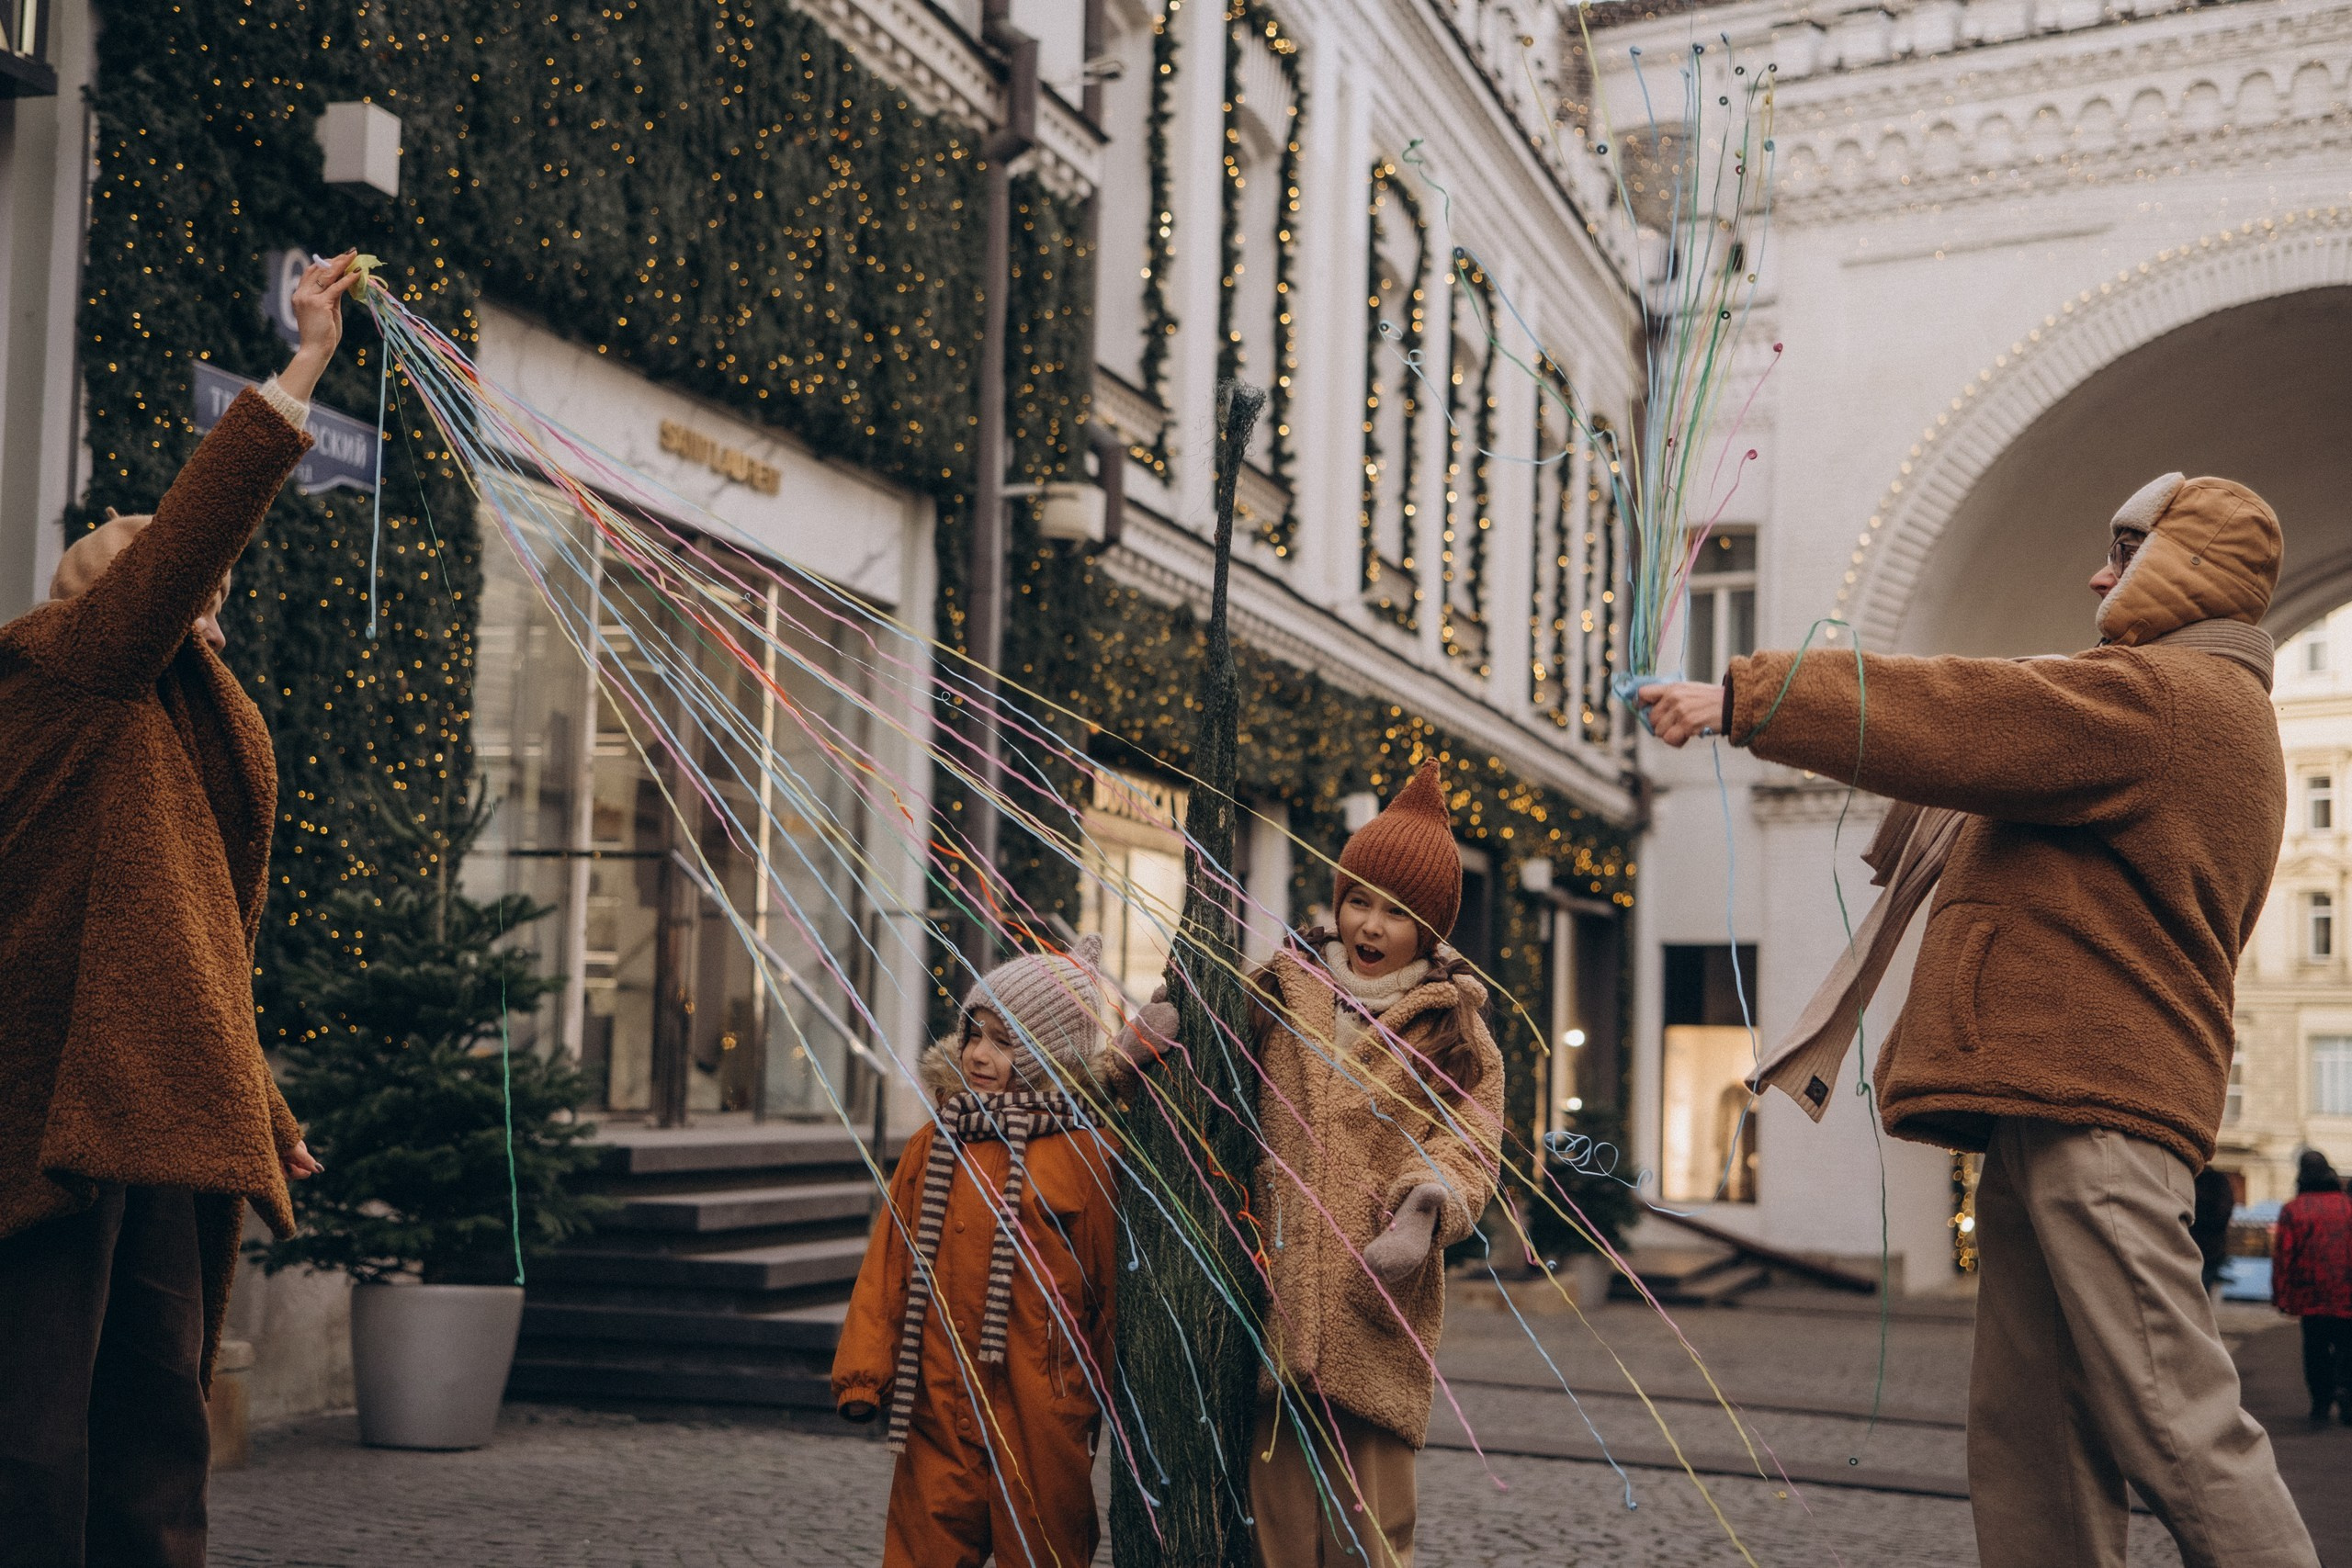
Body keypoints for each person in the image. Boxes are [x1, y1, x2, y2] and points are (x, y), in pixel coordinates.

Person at [1641, 473, 2318, 1568]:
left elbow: (1968, 713)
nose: (2098, 574)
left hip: (2097, 1109)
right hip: (2057, 1104)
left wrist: (1746, 698)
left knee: (2173, 1417)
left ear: (2189, 566)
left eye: (2126, 552)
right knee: (2033, 1436)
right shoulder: (2182, 704)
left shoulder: (2165, 701)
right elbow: (1986, 734)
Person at [0, 251, 359, 1566]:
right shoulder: (61, 678)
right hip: (46, 1116)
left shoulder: (157, 724)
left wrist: (256, 1098)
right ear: (109, 599)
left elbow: (187, 936)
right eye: (172, 583)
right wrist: (307, 357)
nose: (204, 601)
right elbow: (188, 538)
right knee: (35, 1420)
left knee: (156, 1395)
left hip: (150, 1113)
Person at [1124, 760, 1505, 1568]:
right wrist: (1145, 1046)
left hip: (1376, 1310)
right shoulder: (1279, 990)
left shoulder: (1455, 1033)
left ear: (1429, 930)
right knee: (1280, 1539)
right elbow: (1210, 1072)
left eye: (1397, 913)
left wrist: (1424, 1205)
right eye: (1359, 898)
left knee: (1369, 1538)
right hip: (1275, 1303)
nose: (1371, 924)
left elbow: (1470, 1146)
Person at [831, 935, 1120, 1568]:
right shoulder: (935, 1144)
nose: (978, 1053)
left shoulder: (1083, 1154)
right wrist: (863, 1371)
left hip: (1040, 1408)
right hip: (938, 1401)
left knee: (1045, 1548)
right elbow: (888, 1267)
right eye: (973, 1032)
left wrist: (1115, 1394)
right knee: (922, 1547)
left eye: (1004, 1040)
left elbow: (1106, 1286)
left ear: (1047, 1054)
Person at [2272, 1149, 2352, 1426]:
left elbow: (2284, 1256)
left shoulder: (2294, 1209)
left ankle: (2320, 1404)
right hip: (2346, 1295)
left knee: (2315, 1352)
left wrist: (2281, 1295)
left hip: (2311, 1296)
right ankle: (2347, 1398)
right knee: (2347, 1349)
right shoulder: (2348, 1206)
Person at [2190, 1164, 2237, 1307]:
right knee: (2200, 1293)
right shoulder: (2219, 1182)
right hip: (2212, 1249)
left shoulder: (2201, 1181)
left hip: (2200, 1247)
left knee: (2197, 1294)